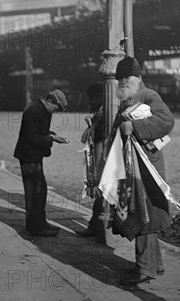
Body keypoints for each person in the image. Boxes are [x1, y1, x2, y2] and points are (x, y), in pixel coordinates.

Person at [112, 56, 175, 286]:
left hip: (147, 169)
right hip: (134, 167)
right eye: (120, 79)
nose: (122, 83)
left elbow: (166, 121)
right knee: (142, 213)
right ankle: (153, 265)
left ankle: (145, 267)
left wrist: (134, 127)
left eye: (125, 78)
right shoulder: (129, 98)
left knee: (145, 215)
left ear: (137, 78)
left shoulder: (149, 96)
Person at [13, 89, 70, 237]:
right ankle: (34, 228)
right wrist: (53, 139)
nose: (55, 112)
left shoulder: (43, 111)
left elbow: (39, 131)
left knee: (41, 189)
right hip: (28, 157)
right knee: (34, 192)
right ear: (49, 101)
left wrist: (51, 134)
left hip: (34, 156)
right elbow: (32, 137)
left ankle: (41, 222)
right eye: (55, 108)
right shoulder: (33, 111)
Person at [76, 81, 113, 245]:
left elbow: (99, 136)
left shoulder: (106, 113)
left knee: (102, 191)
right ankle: (94, 226)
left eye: (91, 98)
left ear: (99, 97)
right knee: (99, 191)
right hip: (97, 159)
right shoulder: (101, 112)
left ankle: (99, 228)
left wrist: (92, 126)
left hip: (102, 159)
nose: (89, 101)